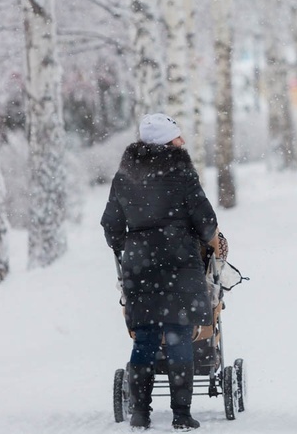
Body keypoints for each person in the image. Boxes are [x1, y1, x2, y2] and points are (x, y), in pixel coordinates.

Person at [101, 113, 222, 431]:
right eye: (177, 137)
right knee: (179, 335)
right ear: (167, 142)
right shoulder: (182, 173)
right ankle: (181, 415)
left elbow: (111, 225)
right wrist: (210, 240)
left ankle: (140, 413)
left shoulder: (124, 176)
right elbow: (205, 221)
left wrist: (124, 246)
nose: (182, 142)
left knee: (144, 339)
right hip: (179, 263)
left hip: (141, 266)